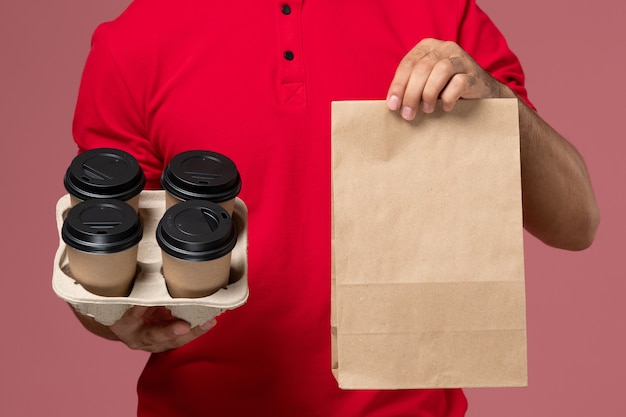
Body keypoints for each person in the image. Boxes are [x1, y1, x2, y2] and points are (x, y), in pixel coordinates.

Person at [69, 0, 600, 416]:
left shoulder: (441, 14)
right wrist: (114, 319)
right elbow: (101, 261)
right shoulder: (132, 42)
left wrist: (496, 103)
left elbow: (577, 222)